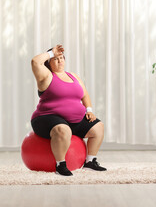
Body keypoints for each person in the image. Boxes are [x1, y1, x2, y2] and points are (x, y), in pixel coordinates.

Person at [30, 44, 107, 176]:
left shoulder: (73, 76)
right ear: (48, 63)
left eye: (61, 58)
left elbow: (84, 94)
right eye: (55, 59)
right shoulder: (46, 76)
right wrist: (51, 52)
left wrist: (89, 110)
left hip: (74, 120)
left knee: (98, 127)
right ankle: (60, 165)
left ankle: (90, 162)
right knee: (63, 129)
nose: (60, 60)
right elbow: (35, 61)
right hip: (46, 118)